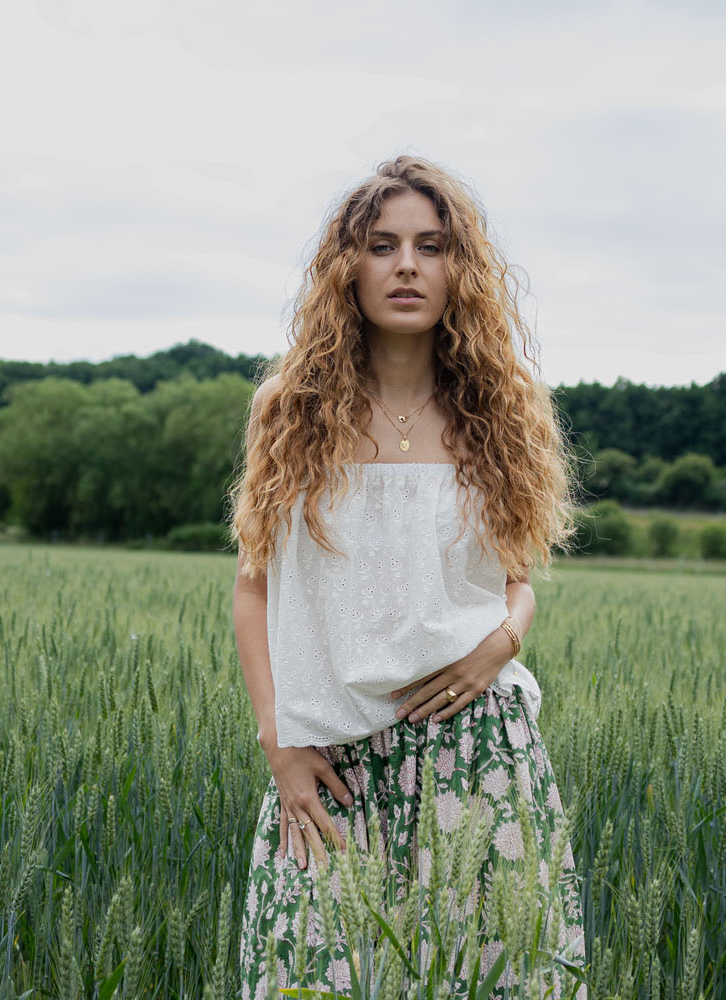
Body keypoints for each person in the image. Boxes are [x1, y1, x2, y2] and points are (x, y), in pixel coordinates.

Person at [230, 154, 585, 997]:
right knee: (311, 976)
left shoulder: (503, 411)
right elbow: (255, 585)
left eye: (431, 246)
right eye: (382, 245)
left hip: (475, 748)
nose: (406, 266)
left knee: (485, 976)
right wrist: (279, 742)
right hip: (330, 760)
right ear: (346, 266)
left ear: (460, 270)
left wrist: (500, 645)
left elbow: (517, 577)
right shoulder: (289, 408)